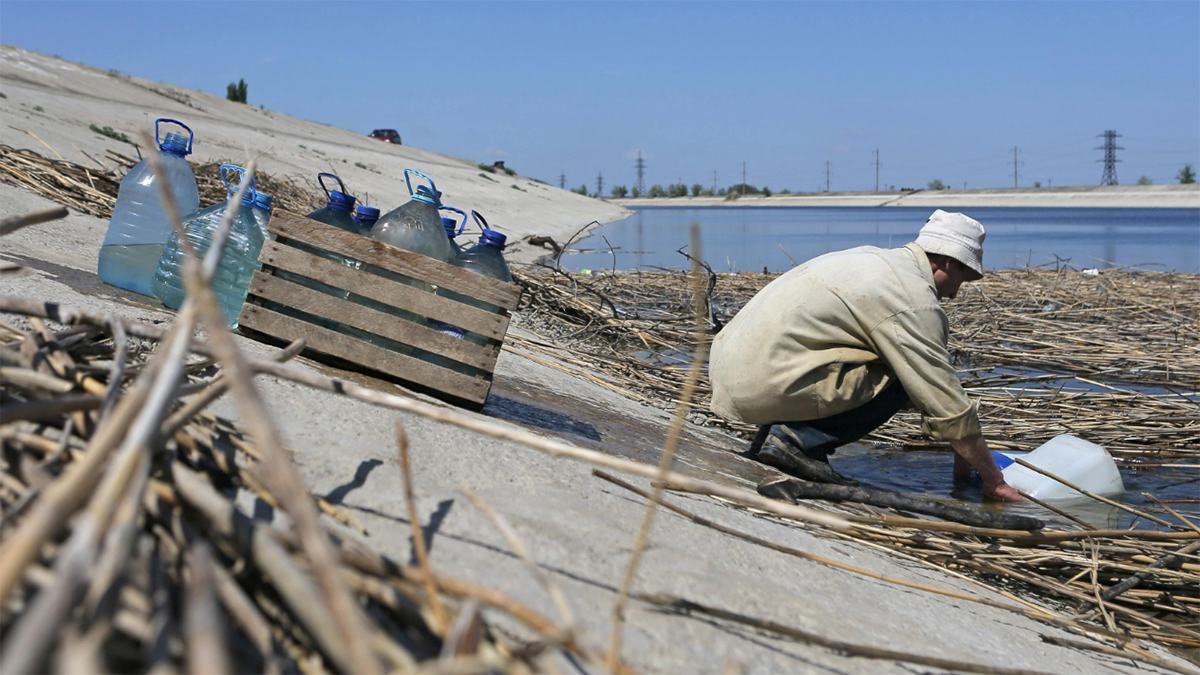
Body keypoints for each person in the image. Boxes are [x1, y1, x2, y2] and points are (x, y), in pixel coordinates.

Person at [708, 209, 1022, 502]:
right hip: (764, 382)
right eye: (961, 281)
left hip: (732, 372)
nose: (954, 293)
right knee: (902, 377)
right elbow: (943, 398)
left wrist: (963, 458)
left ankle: (782, 436)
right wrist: (994, 480)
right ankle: (797, 441)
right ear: (947, 263)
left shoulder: (874, 259)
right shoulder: (912, 299)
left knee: (892, 364)